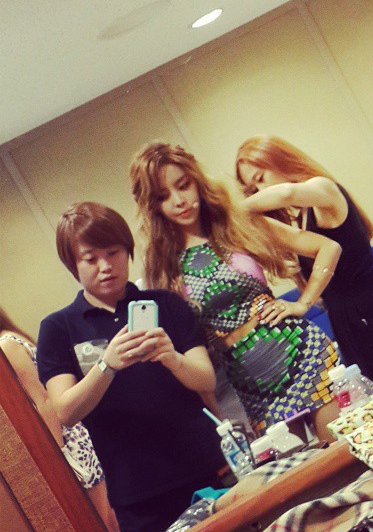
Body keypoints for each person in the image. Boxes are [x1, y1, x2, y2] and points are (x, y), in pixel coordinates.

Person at [36, 202, 226, 532]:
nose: (105, 266)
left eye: (113, 252)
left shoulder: (166, 305)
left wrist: (172, 359)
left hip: (206, 466)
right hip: (138, 496)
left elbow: (206, 381)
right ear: (73, 265)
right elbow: (65, 411)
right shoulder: (58, 328)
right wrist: (106, 365)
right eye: (90, 259)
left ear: (127, 251)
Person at [129, 142, 342, 441]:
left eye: (184, 185)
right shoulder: (163, 267)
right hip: (251, 386)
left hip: (304, 355)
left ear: (196, 180)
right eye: (163, 196)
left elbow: (328, 248)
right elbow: (187, 350)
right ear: (152, 206)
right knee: (299, 468)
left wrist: (303, 303)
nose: (179, 201)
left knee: (342, 455)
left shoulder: (237, 224)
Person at [235, 135, 373, 391]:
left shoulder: (323, 188)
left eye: (261, 178)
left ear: (280, 161)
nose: (260, 192)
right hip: (344, 323)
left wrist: (232, 211)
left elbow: (287, 192)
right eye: (253, 189)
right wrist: (295, 275)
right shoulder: (301, 217)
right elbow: (324, 293)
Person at [0, 306, 122, 532]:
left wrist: (55, 455)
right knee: (105, 527)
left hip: (67, 442)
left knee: (102, 531)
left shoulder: (6, 346)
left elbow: (43, 401)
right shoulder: (10, 339)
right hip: (69, 437)